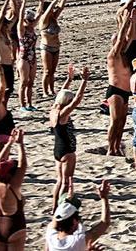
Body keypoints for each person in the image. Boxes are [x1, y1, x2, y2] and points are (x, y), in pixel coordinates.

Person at [49, 66, 89, 211]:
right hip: (67, 150)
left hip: (57, 149)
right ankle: (59, 209)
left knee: (59, 181)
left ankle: (54, 208)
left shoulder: (54, 109)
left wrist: (69, 80)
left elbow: (61, 95)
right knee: (65, 183)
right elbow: (77, 100)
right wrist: (84, 81)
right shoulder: (63, 113)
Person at [105, 8, 136, 157]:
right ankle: (110, 148)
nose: (124, 43)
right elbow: (121, 38)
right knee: (115, 120)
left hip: (125, 92)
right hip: (115, 91)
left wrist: (134, 21)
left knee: (122, 122)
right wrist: (125, 21)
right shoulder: (113, 55)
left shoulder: (123, 54)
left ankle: (117, 146)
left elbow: (128, 37)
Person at [0, 128, 28, 250]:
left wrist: (9, 144)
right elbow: (23, 165)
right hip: (13, 226)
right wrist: (20, 144)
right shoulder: (12, 186)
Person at [46, 180, 113, 251]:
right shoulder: (79, 240)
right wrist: (104, 198)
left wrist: (66, 201)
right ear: (74, 221)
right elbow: (105, 223)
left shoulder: (51, 236)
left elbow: (56, 219)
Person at [38, 0, 72, 98]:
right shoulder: (44, 20)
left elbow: (60, 8)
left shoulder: (53, 18)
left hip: (56, 48)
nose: (53, 11)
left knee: (53, 71)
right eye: (51, 10)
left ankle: (52, 90)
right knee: (47, 71)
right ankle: (45, 91)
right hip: (46, 48)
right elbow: (50, 8)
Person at [0, 0, 19, 106]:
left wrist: (13, 1)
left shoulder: (6, 34)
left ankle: (4, 108)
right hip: (0, 65)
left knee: (8, 90)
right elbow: (1, 16)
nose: (8, 26)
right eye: (5, 24)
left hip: (8, 66)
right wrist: (6, 0)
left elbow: (16, 15)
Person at [15, 0, 42, 112]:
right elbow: (20, 18)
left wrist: (41, 1)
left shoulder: (32, 28)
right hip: (23, 57)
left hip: (33, 57)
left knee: (31, 82)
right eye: (29, 20)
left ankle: (29, 103)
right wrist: (24, 2)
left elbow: (39, 14)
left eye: (32, 20)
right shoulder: (21, 30)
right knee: (23, 82)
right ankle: (22, 105)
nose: (31, 22)